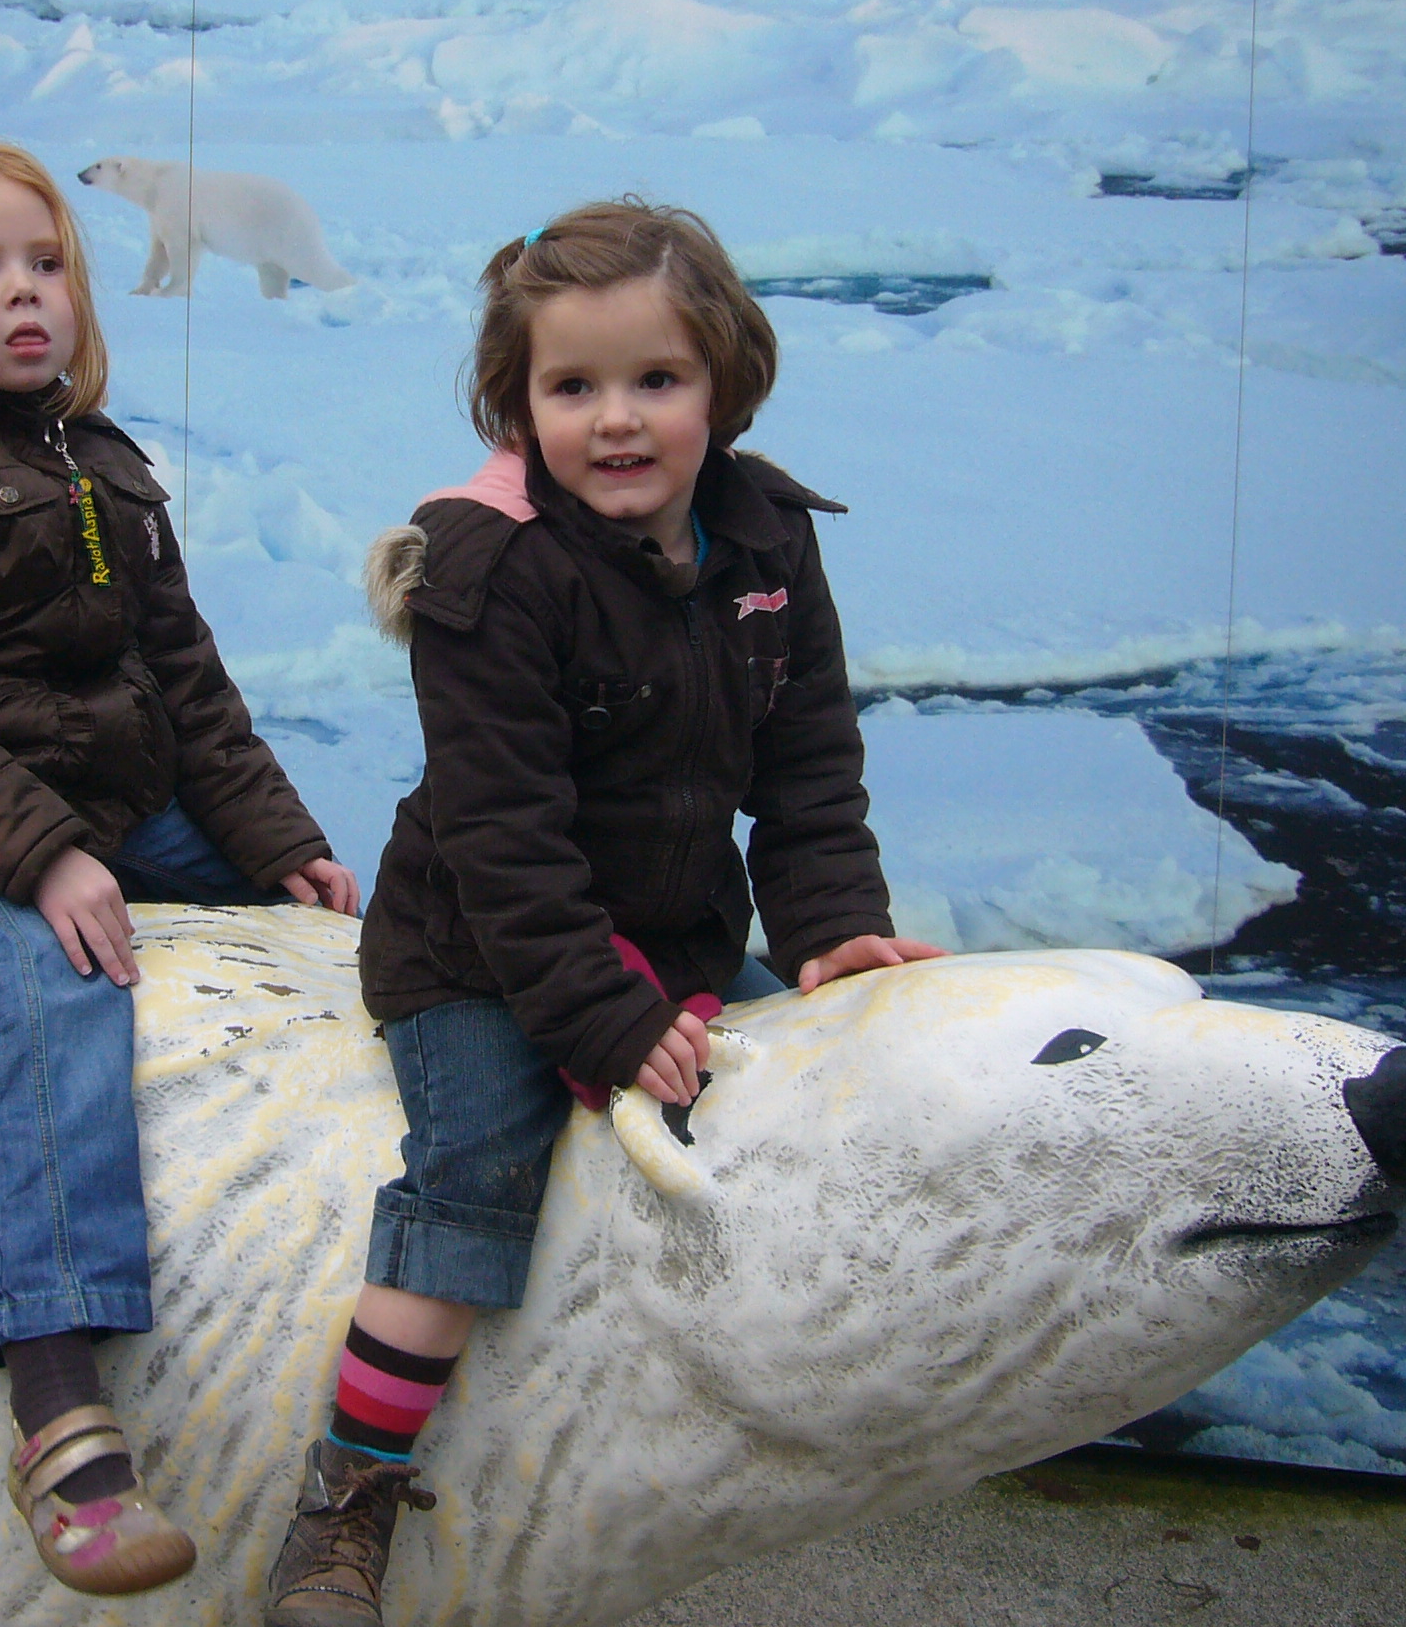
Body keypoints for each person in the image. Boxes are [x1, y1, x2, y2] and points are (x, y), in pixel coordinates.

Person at [263, 200, 943, 1627]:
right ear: (519, 406)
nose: (616, 419)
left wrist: (829, 929)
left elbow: (809, 764)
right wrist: (606, 1019)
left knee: (824, 1110)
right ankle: (349, 1492)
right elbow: (504, 840)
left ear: (724, 383)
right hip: (481, 953)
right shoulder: (491, 571)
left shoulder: (766, 539)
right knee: (476, 1185)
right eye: (573, 387)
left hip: (675, 934)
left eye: (657, 380)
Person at [0, 141, 363, 1597]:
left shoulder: (95, 454)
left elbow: (188, 678)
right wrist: (37, 855)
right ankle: (53, 1395)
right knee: (42, 1001)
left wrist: (276, 840)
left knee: (366, 943)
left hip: (124, 796)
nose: (25, 293)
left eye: (45, 264)